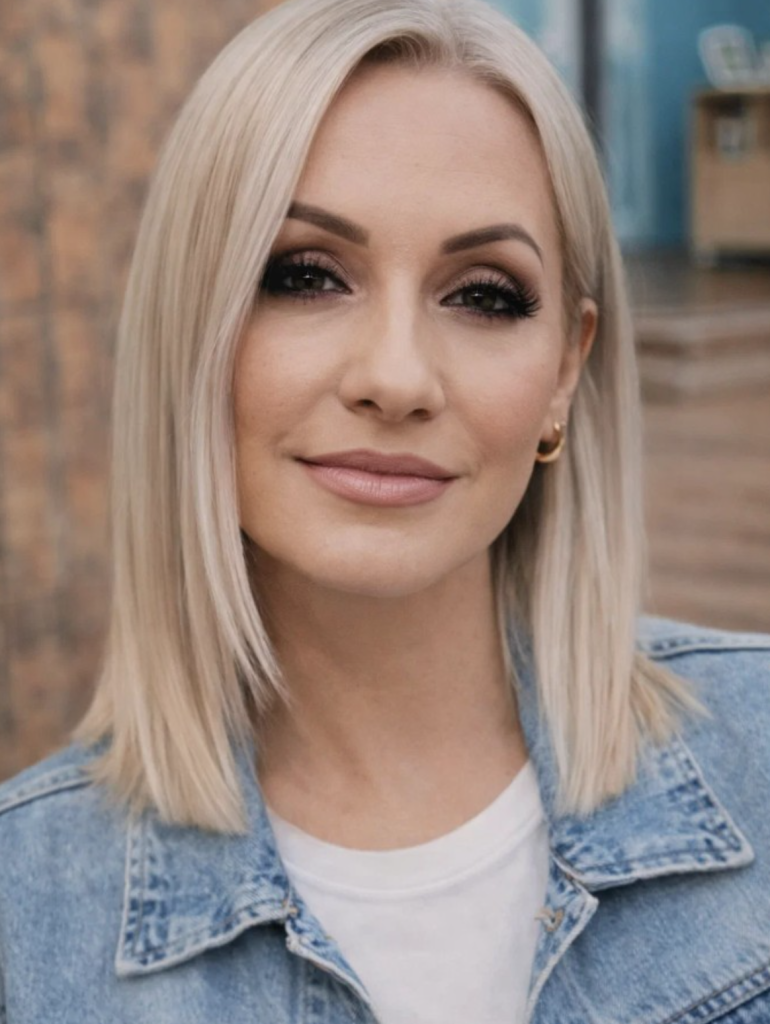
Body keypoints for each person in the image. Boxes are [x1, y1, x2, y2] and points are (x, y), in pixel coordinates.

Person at [1, 0, 769, 1021]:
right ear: (191, 329)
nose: (397, 378)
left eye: (484, 294)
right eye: (305, 276)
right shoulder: (26, 916)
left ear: (564, 371)